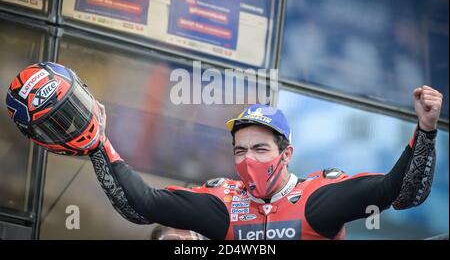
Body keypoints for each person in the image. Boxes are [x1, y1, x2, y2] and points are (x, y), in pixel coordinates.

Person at [6, 62, 443, 239]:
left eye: (260, 148)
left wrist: (424, 130)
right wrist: (99, 144)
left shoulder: (317, 198)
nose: (248, 160)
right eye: (239, 151)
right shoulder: (225, 205)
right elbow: (142, 207)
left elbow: (402, 192)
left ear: (286, 153)